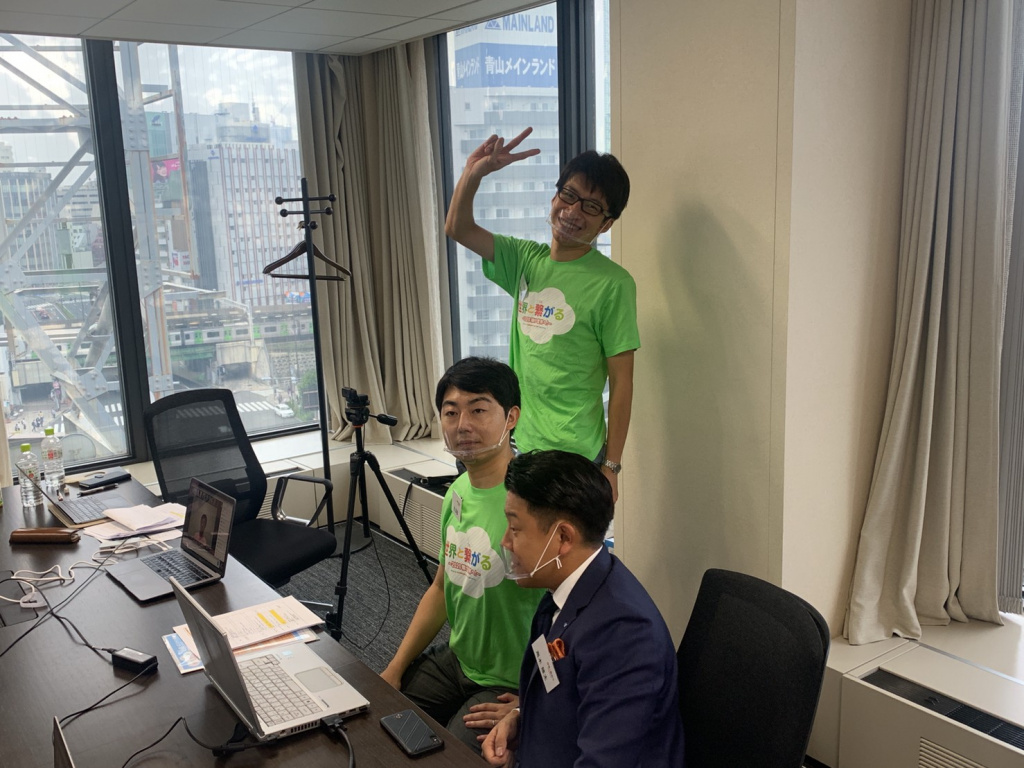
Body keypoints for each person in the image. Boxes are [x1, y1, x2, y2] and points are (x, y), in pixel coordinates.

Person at [444, 128, 639, 502]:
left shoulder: (613, 284)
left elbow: (622, 383)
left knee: (564, 540)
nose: (573, 211)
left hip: (576, 453)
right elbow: (458, 228)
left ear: (606, 223)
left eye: (591, 207)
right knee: (517, 537)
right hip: (518, 443)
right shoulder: (525, 260)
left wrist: (612, 467)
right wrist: (473, 172)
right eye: (569, 195)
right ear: (555, 195)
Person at [381, 357, 544, 752]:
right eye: (451, 412)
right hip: (458, 661)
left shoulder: (536, 503)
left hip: (510, 682)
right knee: (380, 719)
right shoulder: (457, 492)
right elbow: (441, 589)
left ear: (511, 417)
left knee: (450, 756)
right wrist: (395, 667)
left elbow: (573, 616)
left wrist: (533, 701)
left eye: (478, 410)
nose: (462, 425)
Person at [483, 450, 685, 768]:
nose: (505, 541)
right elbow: (561, 687)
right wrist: (522, 719)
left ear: (563, 537)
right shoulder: (567, 588)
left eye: (515, 528)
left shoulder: (624, 633)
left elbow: (604, 761)